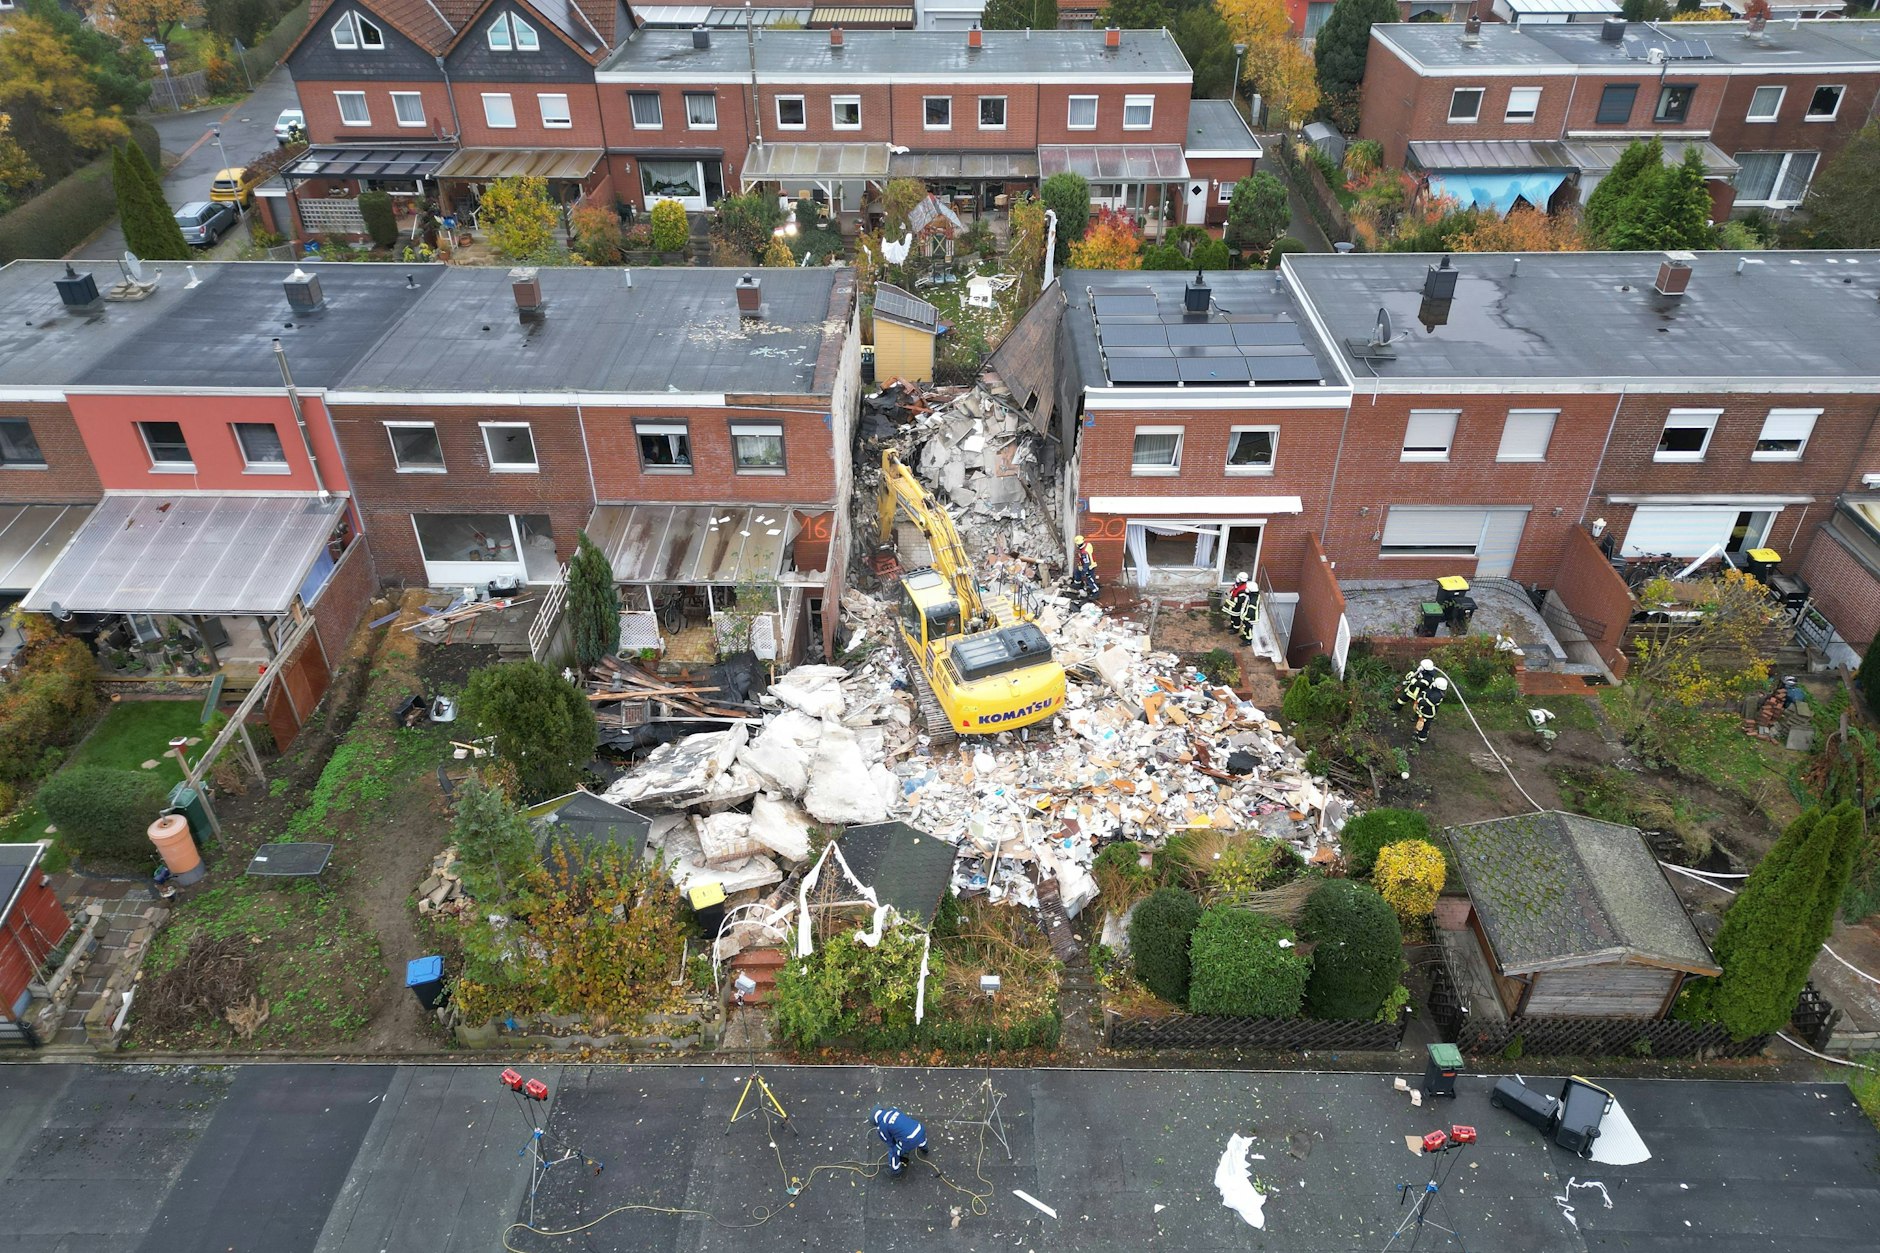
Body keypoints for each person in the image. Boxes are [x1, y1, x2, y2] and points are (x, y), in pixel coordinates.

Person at [872, 1106, 928, 1175]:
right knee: (918, 1138)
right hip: (919, 1128)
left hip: (910, 1139)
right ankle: (924, 1148)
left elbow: (889, 1142)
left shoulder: (882, 1126)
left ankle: (895, 1170)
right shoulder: (893, 1110)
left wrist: (897, 1145)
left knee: (894, 1151)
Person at [1414, 675, 1450, 743]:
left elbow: (1426, 703)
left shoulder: (1437, 696)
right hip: (1424, 710)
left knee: (1425, 725)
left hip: (1428, 712)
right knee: (1420, 722)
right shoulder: (1434, 690)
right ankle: (1418, 732)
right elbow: (1426, 692)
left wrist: (1419, 699)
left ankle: (1422, 738)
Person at [1224, 572, 1254, 642]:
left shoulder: (1243, 589)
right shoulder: (1239, 584)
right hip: (1233, 604)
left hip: (1237, 606)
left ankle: (1235, 629)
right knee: (1232, 615)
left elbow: (1241, 600)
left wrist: (1231, 598)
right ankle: (1232, 625)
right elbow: (1234, 587)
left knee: (1236, 617)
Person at [1071, 535, 1099, 599]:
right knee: (1076, 571)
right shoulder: (1088, 545)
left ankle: (1096, 593)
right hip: (1085, 564)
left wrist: (1084, 571)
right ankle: (1077, 584)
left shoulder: (1084, 552)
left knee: (1090, 580)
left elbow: (1087, 563)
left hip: (1089, 567)